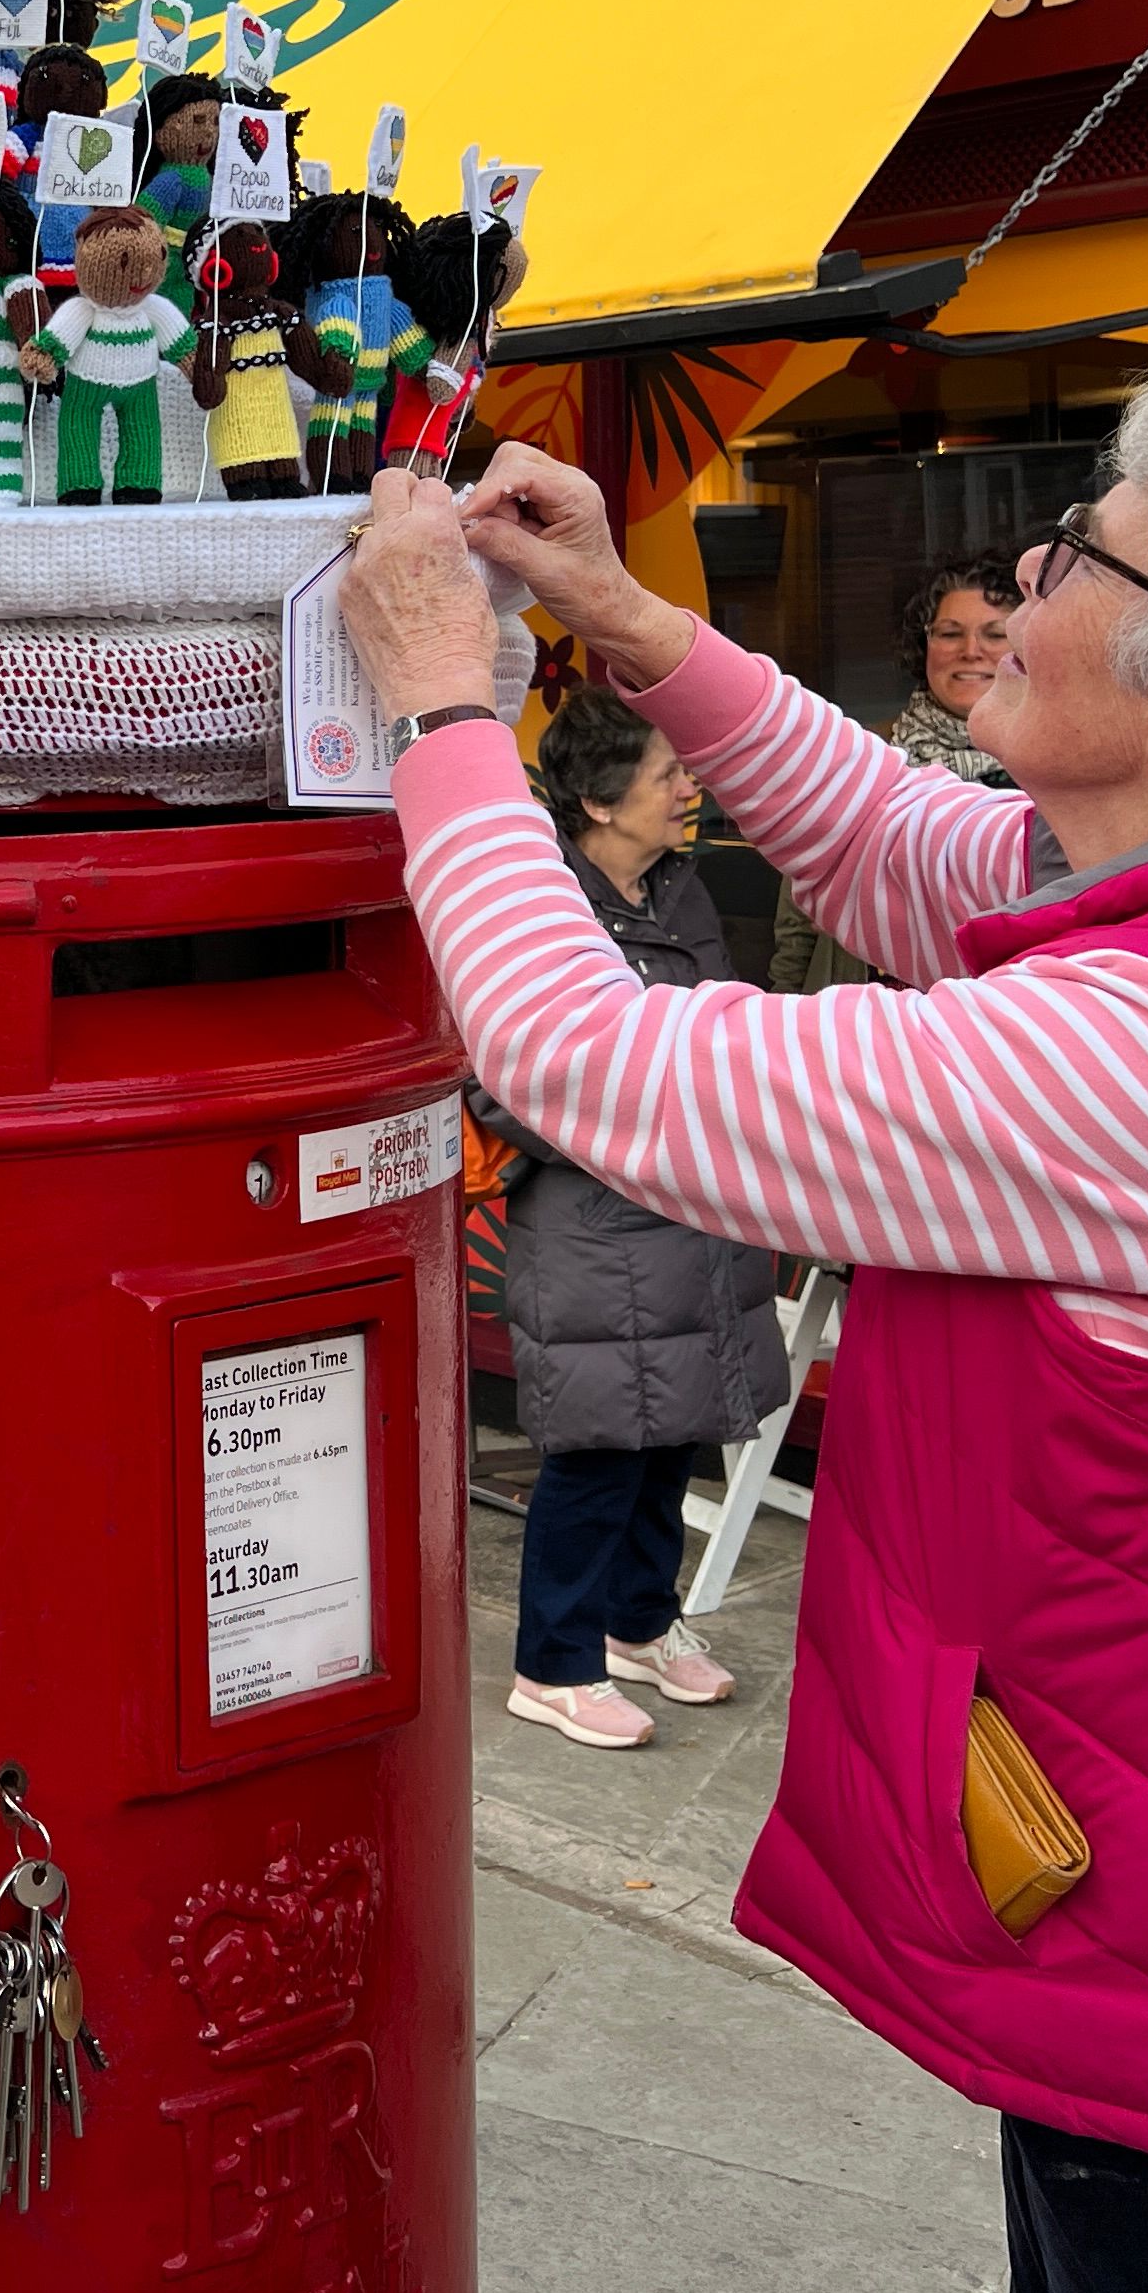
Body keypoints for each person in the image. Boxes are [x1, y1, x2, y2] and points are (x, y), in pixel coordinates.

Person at [338, 362, 1148, 2293]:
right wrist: (630, 630)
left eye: (1082, 553)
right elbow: (908, 851)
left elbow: (590, 1060)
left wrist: (443, 706)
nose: (1022, 586)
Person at [481, 688, 789, 1751]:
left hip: (694, 1203)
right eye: (668, 777)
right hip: (595, 1214)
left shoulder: (679, 888)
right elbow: (495, 1072)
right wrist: (637, 1131)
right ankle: (552, 1663)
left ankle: (640, 1626)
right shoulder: (537, 906)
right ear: (601, 803)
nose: (688, 790)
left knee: (678, 1427)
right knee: (602, 1441)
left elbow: (720, 1027)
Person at [773, 557, 1013, 993]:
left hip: (987, 1032)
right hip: (854, 1026)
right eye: (950, 633)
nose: (971, 650)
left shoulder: (1051, 772)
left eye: (995, 635)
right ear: (924, 647)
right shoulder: (863, 758)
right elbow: (799, 923)